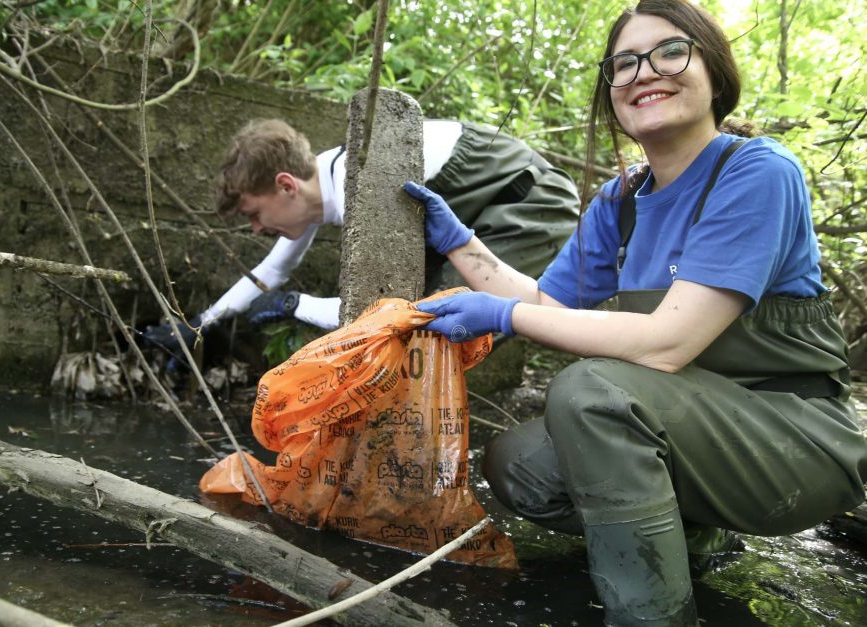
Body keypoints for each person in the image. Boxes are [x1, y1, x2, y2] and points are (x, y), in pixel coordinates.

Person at [407, 1, 867, 624]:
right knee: (518, 467)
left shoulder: (758, 172)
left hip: (794, 444)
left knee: (591, 392)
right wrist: (461, 243)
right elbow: (546, 303)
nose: (644, 72)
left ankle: (654, 615)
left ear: (715, 73)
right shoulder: (617, 202)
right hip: (692, 432)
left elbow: (666, 344)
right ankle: (698, 540)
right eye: (624, 64)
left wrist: (501, 316)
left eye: (670, 52)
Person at [144, 118, 580, 350]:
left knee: (437, 326)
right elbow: (269, 273)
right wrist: (199, 325)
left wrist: (296, 306)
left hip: (527, 198)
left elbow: (376, 310)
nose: (257, 230)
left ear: (285, 186)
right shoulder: (325, 183)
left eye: (255, 215)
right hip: (478, 210)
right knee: (420, 325)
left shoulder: (368, 184)